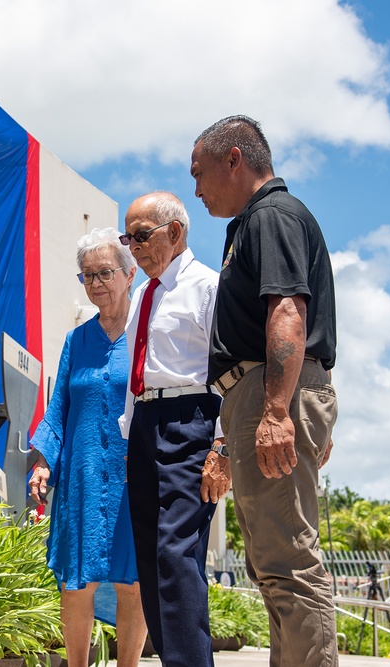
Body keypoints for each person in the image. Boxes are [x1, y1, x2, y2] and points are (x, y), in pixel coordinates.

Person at [191, 115, 339, 667]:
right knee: (272, 566)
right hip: (259, 395)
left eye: (199, 173)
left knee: (288, 563)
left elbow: (288, 312)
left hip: (270, 395)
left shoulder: (272, 215)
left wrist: (279, 411)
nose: (197, 190)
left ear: (234, 159)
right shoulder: (254, 222)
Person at [117, 191, 229, 667]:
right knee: (149, 555)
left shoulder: (208, 286)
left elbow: (230, 368)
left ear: (176, 232)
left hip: (192, 420)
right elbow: (136, 370)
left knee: (175, 555)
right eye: (129, 238)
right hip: (145, 424)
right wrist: (129, 434)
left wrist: (222, 445)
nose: (135, 248)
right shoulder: (142, 293)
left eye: (142, 236)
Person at [28, 228, 149, 667]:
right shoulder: (76, 341)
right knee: (74, 582)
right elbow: (58, 407)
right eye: (87, 276)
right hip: (81, 477)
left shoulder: (148, 332)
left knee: (132, 581)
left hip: (132, 477)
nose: (96, 283)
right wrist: (44, 462)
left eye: (104, 273)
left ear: (130, 273)